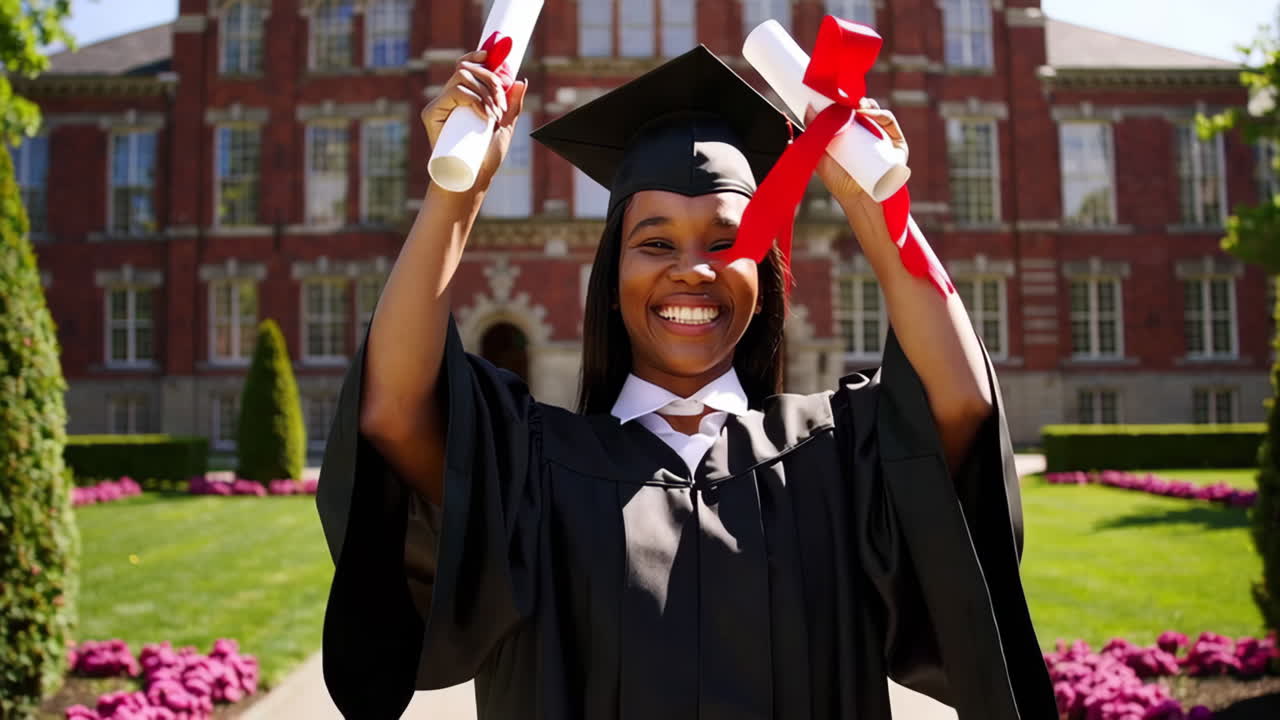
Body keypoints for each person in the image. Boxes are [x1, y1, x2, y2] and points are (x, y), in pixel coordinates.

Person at [315, 45, 1057, 720]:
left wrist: (874, 200)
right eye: (655, 241)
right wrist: (458, 192)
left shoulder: (830, 457)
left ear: (763, 281)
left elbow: (959, 399)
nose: (692, 267)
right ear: (612, 281)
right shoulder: (534, 469)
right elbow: (396, 407)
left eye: (728, 241)